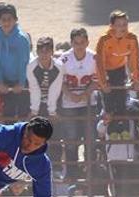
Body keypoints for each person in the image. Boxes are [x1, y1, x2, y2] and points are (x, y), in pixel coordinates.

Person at [58, 28, 96, 181]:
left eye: (82, 42)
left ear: (87, 42)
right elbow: (58, 80)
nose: (79, 46)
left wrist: (85, 94)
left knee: (90, 139)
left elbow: (98, 79)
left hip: (89, 103)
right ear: (71, 43)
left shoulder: (94, 58)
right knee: (71, 139)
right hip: (69, 104)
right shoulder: (64, 59)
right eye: (76, 43)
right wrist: (70, 95)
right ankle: (72, 173)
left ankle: (91, 171)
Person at [95, 10, 139, 133]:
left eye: (125, 24)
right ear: (111, 26)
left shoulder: (132, 38)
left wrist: (135, 80)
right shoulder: (104, 39)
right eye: (119, 25)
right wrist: (104, 83)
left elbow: (134, 60)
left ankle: (122, 131)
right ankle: (108, 132)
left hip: (120, 70)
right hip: (106, 72)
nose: (122, 28)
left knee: (122, 104)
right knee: (109, 105)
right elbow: (100, 63)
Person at [0, 4, 31, 118]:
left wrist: (21, 83)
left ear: (15, 20)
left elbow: (24, 62)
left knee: (22, 115)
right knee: (6, 115)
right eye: (3, 19)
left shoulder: (22, 38)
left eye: (9, 19)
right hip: (2, 81)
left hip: (20, 81)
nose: (6, 23)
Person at [27, 36, 63, 119]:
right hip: (36, 103)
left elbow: (55, 89)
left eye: (47, 51)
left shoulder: (59, 67)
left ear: (52, 52)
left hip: (55, 104)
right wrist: (34, 110)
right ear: (37, 52)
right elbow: (34, 88)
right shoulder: (31, 67)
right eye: (41, 51)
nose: (44, 54)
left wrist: (52, 111)